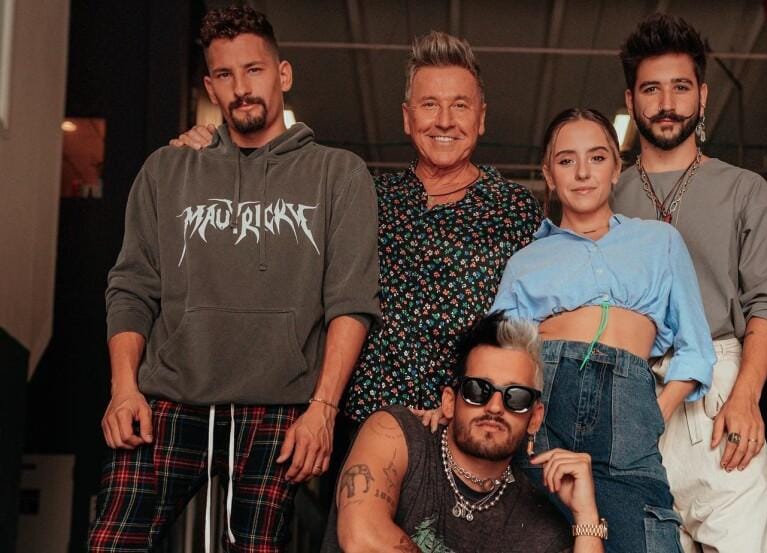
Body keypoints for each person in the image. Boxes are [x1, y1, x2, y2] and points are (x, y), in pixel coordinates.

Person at [172, 31, 542, 469]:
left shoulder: (515, 208)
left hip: (464, 435)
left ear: (481, 118)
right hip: (357, 431)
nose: (444, 121)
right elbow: (265, 222)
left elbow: (528, 330)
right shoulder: (361, 193)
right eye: (429, 105)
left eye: (460, 105)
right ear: (407, 118)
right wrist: (213, 150)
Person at [88, 6, 380, 552]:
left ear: (283, 74)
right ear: (210, 86)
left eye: (254, 70)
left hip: (278, 411)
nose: (241, 88)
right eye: (225, 74)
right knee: (112, 544)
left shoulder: (338, 174)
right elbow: (131, 288)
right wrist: (122, 389)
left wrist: (323, 411)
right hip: (167, 402)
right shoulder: (167, 170)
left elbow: (351, 301)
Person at [612, 14, 767, 553]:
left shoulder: (744, 190)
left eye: (680, 87)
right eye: (651, 89)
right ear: (631, 100)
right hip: (633, 394)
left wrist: (746, 395)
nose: (666, 103)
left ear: (703, 96)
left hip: (719, 391)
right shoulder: (607, 195)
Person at [491, 107, 715, 553]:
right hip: (546, 410)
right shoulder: (524, 262)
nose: (582, 173)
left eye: (596, 157)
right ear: (549, 175)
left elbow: (696, 349)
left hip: (630, 414)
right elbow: (500, 360)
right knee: (538, 533)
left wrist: (654, 413)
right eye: (566, 160)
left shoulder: (660, 242)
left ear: (616, 168)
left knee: (647, 534)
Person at [320, 312, 606, 553]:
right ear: (449, 401)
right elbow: (361, 537)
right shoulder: (395, 433)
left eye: (516, 397)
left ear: (535, 418)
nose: (495, 407)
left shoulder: (539, 526)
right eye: (477, 390)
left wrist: (586, 518)